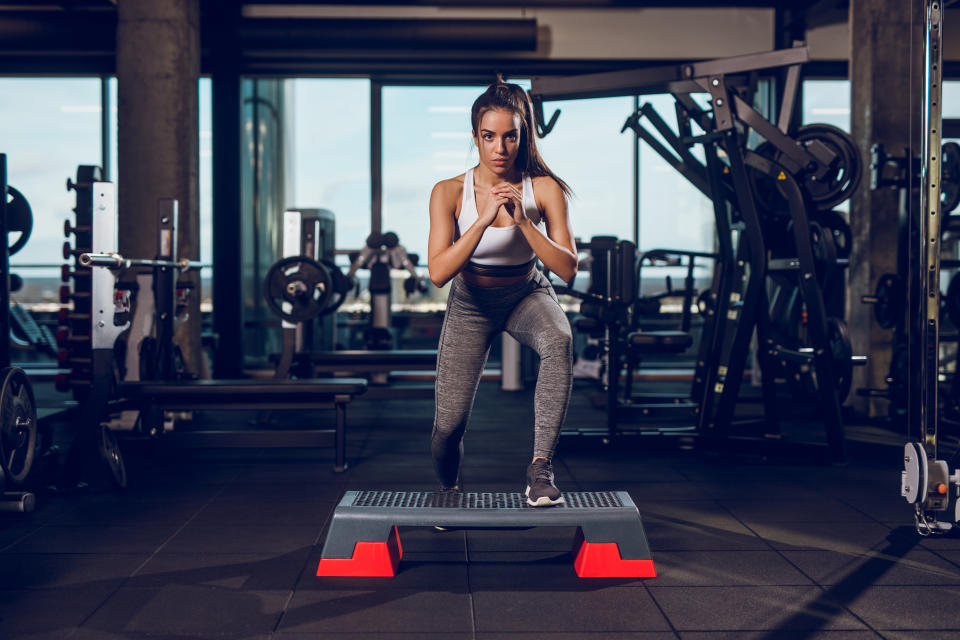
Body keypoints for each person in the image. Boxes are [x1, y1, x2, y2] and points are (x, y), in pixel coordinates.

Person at [427, 79, 577, 507]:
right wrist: (482, 219)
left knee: (559, 339)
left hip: (525, 293)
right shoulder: (449, 192)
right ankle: (448, 487)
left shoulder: (544, 189)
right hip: (471, 304)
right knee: (447, 427)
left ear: (522, 135)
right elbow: (438, 272)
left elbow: (567, 268)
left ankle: (540, 469)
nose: (500, 147)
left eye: (510, 135)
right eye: (489, 136)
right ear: (475, 137)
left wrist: (524, 222)